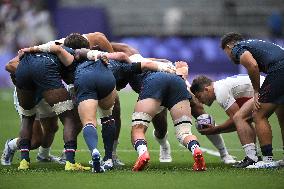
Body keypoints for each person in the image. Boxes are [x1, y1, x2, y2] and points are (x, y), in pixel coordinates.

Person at [113, 42, 236, 165]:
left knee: (201, 113)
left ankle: (224, 153)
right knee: (162, 129)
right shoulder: (129, 65)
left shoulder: (130, 60)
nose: (118, 88)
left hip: (158, 85)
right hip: (172, 81)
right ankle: (165, 147)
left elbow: (116, 45)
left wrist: (97, 50)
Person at [13, 33, 90, 171]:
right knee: (69, 117)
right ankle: (70, 162)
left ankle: (23, 162)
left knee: (27, 117)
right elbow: (63, 55)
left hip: (23, 68)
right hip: (44, 69)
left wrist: (29, 50)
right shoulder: (70, 51)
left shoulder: (42, 48)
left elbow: (11, 67)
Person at [220, 32, 284, 168]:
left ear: (229, 46)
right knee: (282, 114)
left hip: (279, 70)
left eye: (226, 52)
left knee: (258, 114)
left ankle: (267, 159)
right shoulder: (253, 43)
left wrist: (256, 91)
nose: (229, 56)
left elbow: (253, 66)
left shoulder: (238, 47)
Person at [191, 74, 265, 168]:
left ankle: (252, 158)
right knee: (243, 119)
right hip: (267, 86)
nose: (200, 102)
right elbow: (241, 123)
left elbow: (236, 121)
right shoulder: (222, 86)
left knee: (239, 118)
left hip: (266, 89)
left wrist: (215, 129)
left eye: (199, 96)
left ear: (207, 89)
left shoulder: (220, 92)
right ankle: (254, 157)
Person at [1, 89, 64, 165]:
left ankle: (43, 156)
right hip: (28, 94)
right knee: (34, 141)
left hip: (47, 91)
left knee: (52, 127)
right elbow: (15, 77)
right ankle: (11, 145)